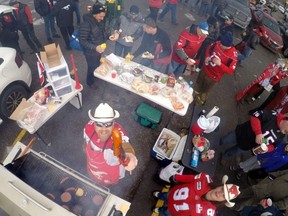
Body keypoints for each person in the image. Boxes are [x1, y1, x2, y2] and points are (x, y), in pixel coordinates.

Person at [83, 103, 138, 186]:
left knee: (107, 184)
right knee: (93, 180)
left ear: (113, 123)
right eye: (99, 124)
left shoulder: (118, 133)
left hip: (110, 172)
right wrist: (85, 149)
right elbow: (85, 142)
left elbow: (126, 146)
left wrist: (130, 156)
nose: (104, 129)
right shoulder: (88, 128)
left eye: (108, 124)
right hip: (93, 167)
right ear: (94, 123)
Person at [151, 173, 240, 215]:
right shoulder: (205, 178)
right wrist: (177, 177)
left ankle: (158, 210)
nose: (220, 193)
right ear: (219, 186)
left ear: (223, 201)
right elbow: (191, 178)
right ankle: (159, 195)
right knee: (165, 195)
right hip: (173, 193)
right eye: (222, 189)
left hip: (174, 211)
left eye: (224, 196)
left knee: (165, 212)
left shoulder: (209, 213)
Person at [193, 31, 237, 105]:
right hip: (205, 69)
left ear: (228, 45)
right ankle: (193, 96)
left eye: (223, 45)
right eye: (221, 43)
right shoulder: (218, 43)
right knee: (198, 83)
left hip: (213, 77)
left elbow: (230, 71)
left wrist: (220, 64)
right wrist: (207, 56)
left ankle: (200, 101)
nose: (220, 45)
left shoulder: (233, 56)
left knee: (205, 90)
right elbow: (209, 49)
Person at [79, 4, 118, 87]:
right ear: (94, 14)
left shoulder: (100, 20)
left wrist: (108, 36)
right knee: (91, 67)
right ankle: (90, 82)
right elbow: (82, 41)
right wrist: (95, 47)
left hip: (99, 49)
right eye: (100, 16)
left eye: (103, 16)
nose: (102, 18)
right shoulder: (86, 24)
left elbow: (102, 32)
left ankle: (95, 76)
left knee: (97, 64)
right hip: (90, 52)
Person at [221, 110, 288, 158]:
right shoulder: (273, 116)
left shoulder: (282, 135)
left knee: (231, 153)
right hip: (241, 133)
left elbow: (273, 145)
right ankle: (213, 145)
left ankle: (222, 156)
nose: (286, 133)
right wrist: (258, 133)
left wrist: (266, 148)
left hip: (247, 145)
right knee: (224, 140)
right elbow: (255, 116)